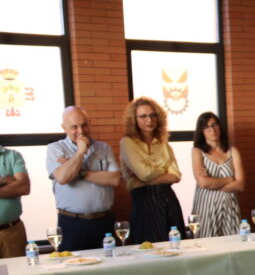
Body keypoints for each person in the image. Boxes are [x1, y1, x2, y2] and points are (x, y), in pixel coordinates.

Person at [46, 106, 120, 251]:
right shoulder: (55, 149)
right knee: (72, 264)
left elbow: (114, 179)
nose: (81, 131)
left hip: (104, 222)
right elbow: (63, 177)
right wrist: (80, 152)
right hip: (72, 222)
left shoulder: (104, 148)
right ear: (64, 128)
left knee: (109, 263)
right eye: (74, 127)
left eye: (84, 125)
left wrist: (79, 172)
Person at [119, 96, 183, 243]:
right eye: (143, 116)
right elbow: (144, 173)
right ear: (133, 119)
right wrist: (162, 170)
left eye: (153, 115)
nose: (149, 120)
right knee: (149, 249)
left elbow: (176, 176)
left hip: (169, 199)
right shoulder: (127, 143)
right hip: (144, 202)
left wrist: (146, 176)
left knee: (176, 247)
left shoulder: (163, 143)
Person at [190, 112, 244, 238]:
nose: (212, 130)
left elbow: (240, 185)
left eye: (214, 125)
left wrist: (212, 183)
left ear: (220, 127)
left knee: (234, 243)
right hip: (205, 207)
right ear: (201, 131)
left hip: (230, 207)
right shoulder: (197, 151)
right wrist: (230, 179)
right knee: (206, 245)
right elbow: (203, 183)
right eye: (207, 127)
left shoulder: (233, 151)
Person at [0, 142, 30, 258]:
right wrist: (8, 180)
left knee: (16, 269)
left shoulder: (13, 155)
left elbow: (24, 187)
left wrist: (2, 180)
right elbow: (18, 184)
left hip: (13, 232)